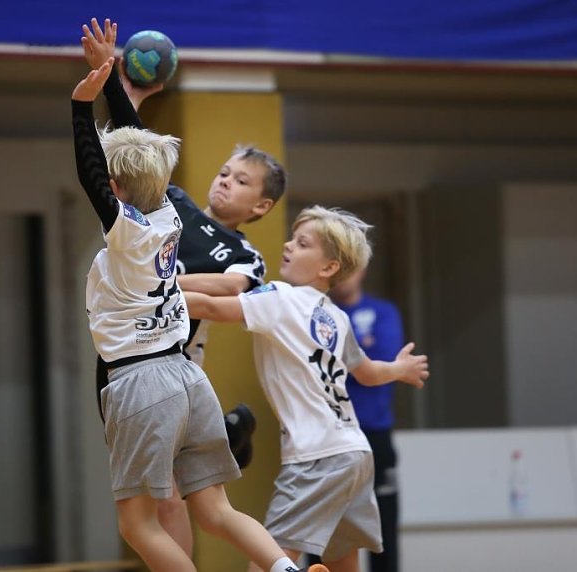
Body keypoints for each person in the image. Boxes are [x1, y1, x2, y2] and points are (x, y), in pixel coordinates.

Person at [71, 56, 320, 572]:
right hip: (188, 377)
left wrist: (81, 104)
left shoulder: (126, 233)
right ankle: (286, 570)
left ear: (114, 192)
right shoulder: (168, 217)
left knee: (137, 525)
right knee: (216, 510)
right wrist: (114, 90)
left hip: (140, 381)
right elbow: (135, 152)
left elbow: (91, 170)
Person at [184, 206, 429, 572]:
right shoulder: (337, 317)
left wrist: (148, 292)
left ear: (328, 267)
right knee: (343, 558)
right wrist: (398, 369)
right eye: (292, 238)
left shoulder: (279, 297)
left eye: (302, 243)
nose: (288, 244)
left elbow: (211, 308)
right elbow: (367, 373)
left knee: (269, 559)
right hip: (356, 453)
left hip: (317, 457)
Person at [329, 268, 404, 572]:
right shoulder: (317, 312)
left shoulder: (382, 312)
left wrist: (348, 363)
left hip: (375, 433)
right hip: (331, 436)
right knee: (324, 527)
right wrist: (364, 355)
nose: (344, 277)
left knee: (383, 528)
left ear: (362, 270)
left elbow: (385, 363)